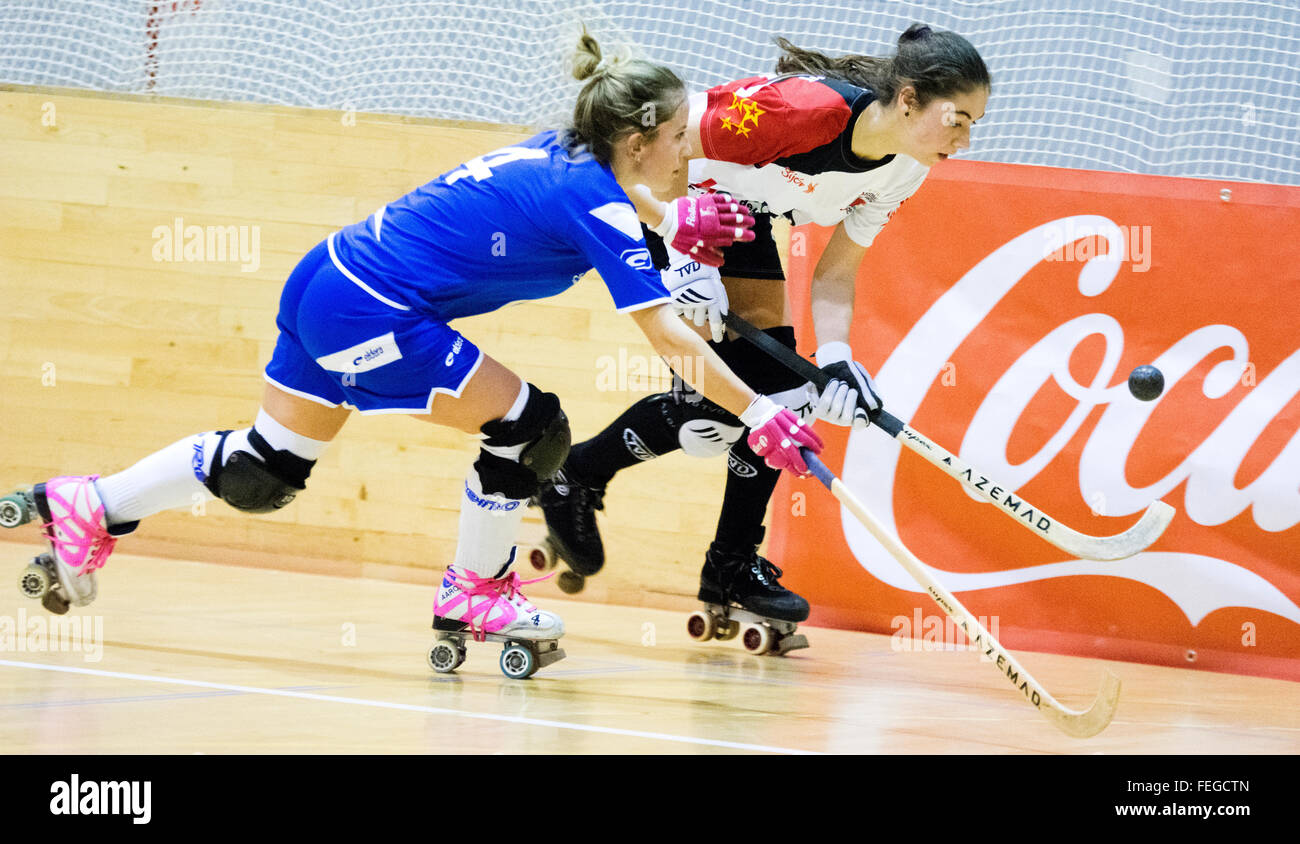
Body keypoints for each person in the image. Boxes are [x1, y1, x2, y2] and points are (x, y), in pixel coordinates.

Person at [2, 30, 824, 677]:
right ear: (641, 139)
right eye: (681, 136)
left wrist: (672, 222)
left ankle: (91, 505)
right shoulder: (601, 205)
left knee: (265, 473)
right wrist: (761, 412)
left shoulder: (568, 151)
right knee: (531, 429)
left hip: (329, 279)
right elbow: (667, 335)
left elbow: (597, 201)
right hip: (375, 308)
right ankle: (474, 595)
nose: (690, 152)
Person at [536, 24, 991, 636]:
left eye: (973, 125)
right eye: (956, 119)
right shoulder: (800, 110)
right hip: (672, 194)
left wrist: (836, 358)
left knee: (780, 398)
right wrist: (685, 255)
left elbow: (835, 275)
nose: (963, 140)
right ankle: (585, 482)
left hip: (739, 215)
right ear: (908, 99)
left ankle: (711, 556)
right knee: (726, 408)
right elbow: (668, 140)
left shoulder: (905, 168)